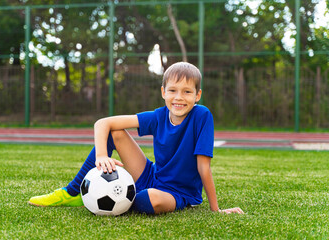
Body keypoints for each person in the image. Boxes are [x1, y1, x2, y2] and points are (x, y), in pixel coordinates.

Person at [28, 62, 244, 214]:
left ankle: (119, 197)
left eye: (187, 92)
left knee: (149, 200)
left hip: (179, 193)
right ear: (163, 92)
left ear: (197, 95)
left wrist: (216, 209)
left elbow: (203, 167)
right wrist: (102, 155)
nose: (179, 97)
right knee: (115, 133)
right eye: (173, 90)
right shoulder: (159, 116)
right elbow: (102, 123)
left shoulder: (202, 116)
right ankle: (72, 192)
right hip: (151, 175)